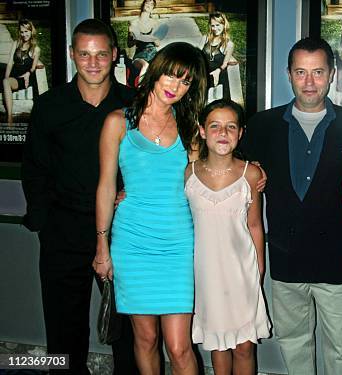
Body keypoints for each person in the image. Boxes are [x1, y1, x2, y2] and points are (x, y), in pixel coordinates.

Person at [21, 19, 138, 375]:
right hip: (63, 228)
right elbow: (34, 168)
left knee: (129, 327)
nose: (92, 62)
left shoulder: (134, 105)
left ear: (114, 56)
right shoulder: (50, 105)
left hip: (122, 230)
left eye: (100, 54)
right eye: (84, 54)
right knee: (62, 326)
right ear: (72, 55)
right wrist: (44, 221)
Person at [240, 37, 342, 375]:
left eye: (318, 72)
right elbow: (228, 170)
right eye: (301, 72)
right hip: (286, 256)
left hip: (337, 260)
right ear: (288, 75)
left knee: (339, 348)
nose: (309, 82)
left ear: (332, 74)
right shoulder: (262, 125)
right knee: (293, 342)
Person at [94, 41, 207, 375]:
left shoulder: (191, 129)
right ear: (156, 72)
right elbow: (105, 186)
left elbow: (208, 177)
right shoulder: (118, 122)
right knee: (144, 340)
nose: (176, 86)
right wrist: (102, 245)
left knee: (179, 346)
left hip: (178, 245)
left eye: (185, 81)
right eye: (172, 76)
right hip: (132, 243)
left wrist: (250, 170)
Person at [187, 99, 271, 375]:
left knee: (244, 346)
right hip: (206, 273)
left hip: (241, 272)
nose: (223, 133)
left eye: (230, 127)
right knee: (218, 344)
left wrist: (258, 270)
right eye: (214, 126)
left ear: (240, 133)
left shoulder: (251, 174)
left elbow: (255, 225)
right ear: (202, 130)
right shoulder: (188, 173)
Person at [3, 19, 41, 125]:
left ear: (31, 31)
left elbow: (33, 68)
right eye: (22, 32)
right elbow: (10, 63)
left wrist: (28, 74)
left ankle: (9, 118)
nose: (24, 34)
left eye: (26, 31)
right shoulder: (16, 44)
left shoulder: (35, 49)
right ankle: (9, 116)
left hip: (23, 79)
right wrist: (6, 77)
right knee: (5, 81)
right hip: (14, 77)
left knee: (6, 82)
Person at [202, 12, 236, 101]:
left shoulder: (229, 44)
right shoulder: (206, 38)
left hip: (219, 78)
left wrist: (218, 71)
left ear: (224, 24)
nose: (215, 28)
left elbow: (224, 64)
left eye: (218, 25)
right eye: (213, 26)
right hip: (205, 76)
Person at [129, 0, 162, 79]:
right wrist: (133, 37)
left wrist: (153, 39)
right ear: (143, 5)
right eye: (147, 2)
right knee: (145, 66)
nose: (149, 5)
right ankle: (140, 88)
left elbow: (157, 43)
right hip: (140, 54)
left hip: (153, 53)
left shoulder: (154, 23)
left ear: (152, 9)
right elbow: (129, 44)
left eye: (152, 4)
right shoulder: (134, 23)